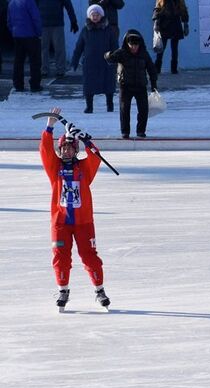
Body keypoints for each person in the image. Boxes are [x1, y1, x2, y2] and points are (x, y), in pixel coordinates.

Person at [39, 107, 110, 311]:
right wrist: (49, 127)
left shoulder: (84, 169)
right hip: (61, 222)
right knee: (60, 255)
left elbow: (96, 157)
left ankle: (99, 290)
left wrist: (87, 140)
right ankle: (63, 290)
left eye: (70, 148)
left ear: (75, 150)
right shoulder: (55, 168)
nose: (67, 151)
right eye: (63, 149)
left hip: (83, 222)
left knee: (90, 256)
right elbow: (45, 151)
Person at [104, 29, 158, 139]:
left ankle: (141, 131)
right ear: (127, 44)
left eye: (136, 45)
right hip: (125, 85)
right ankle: (125, 132)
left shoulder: (144, 54)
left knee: (143, 110)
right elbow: (110, 59)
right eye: (131, 45)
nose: (134, 47)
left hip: (141, 85)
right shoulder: (122, 52)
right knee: (124, 110)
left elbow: (152, 70)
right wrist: (108, 55)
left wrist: (154, 85)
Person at [71, 5, 118, 114]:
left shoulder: (108, 29)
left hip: (106, 62)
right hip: (90, 63)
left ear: (101, 16)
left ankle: (110, 105)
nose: (95, 17)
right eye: (93, 15)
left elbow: (114, 45)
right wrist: (74, 61)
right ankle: (89, 106)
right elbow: (79, 47)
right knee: (89, 85)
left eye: (97, 15)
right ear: (89, 16)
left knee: (108, 84)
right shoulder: (85, 30)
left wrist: (116, 58)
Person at [37, 0, 78, 78]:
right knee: (43, 49)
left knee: (59, 48)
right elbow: (32, 7)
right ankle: (43, 70)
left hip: (57, 25)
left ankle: (61, 70)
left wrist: (73, 21)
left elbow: (69, 6)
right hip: (42, 25)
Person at [7, 0, 42, 92]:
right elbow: (36, 18)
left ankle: (18, 84)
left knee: (18, 61)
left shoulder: (11, 3)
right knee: (34, 61)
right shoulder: (30, 1)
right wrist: (39, 32)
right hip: (31, 35)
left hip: (17, 35)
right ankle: (35, 85)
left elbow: (9, 21)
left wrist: (13, 31)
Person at [152, 0, 189, 74]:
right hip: (164, 24)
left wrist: (185, 24)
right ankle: (157, 68)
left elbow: (183, 10)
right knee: (161, 47)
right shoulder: (161, 0)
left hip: (175, 24)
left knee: (174, 48)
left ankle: (173, 69)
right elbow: (157, 9)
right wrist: (156, 23)